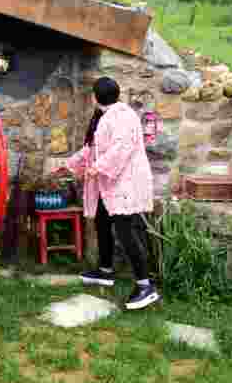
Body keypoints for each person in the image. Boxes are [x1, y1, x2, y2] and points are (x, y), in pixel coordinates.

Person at [60, 76, 160, 310]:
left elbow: (120, 149)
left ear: (95, 97)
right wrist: (69, 164)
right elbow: (91, 150)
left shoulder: (123, 117)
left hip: (125, 184)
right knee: (102, 222)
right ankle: (105, 271)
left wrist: (97, 168)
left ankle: (146, 286)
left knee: (125, 231)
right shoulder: (102, 117)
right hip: (109, 183)